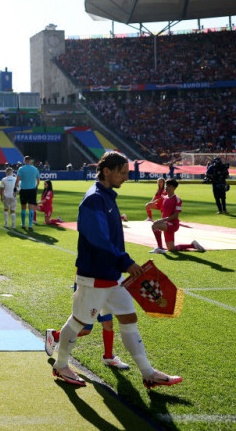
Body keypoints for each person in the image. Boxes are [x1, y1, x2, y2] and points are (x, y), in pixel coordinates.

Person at [51, 151, 182, 389]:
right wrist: (125, 261)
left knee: (129, 318)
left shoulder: (107, 196)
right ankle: (60, 366)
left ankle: (148, 373)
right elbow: (98, 239)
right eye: (122, 172)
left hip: (112, 275)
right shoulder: (94, 199)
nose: (125, 177)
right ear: (107, 171)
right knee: (79, 322)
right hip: (94, 275)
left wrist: (122, 264)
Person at [150, 179, 206, 254]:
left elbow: (175, 215)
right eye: (166, 186)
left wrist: (162, 220)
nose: (166, 187)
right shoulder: (164, 198)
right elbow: (160, 208)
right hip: (166, 224)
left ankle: (160, 248)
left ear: (174, 188)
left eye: (168, 186)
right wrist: (151, 205)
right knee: (171, 248)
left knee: (154, 225)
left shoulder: (177, 199)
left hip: (172, 224)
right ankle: (193, 245)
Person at [14, 155, 40, 232]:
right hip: (32, 190)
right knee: (31, 208)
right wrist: (36, 187)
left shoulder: (21, 169)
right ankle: (30, 225)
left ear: (24, 161)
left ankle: (23, 224)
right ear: (31, 161)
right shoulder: (35, 169)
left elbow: (17, 180)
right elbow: (38, 181)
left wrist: (15, 189)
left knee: (23, 207)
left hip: (23, 190)